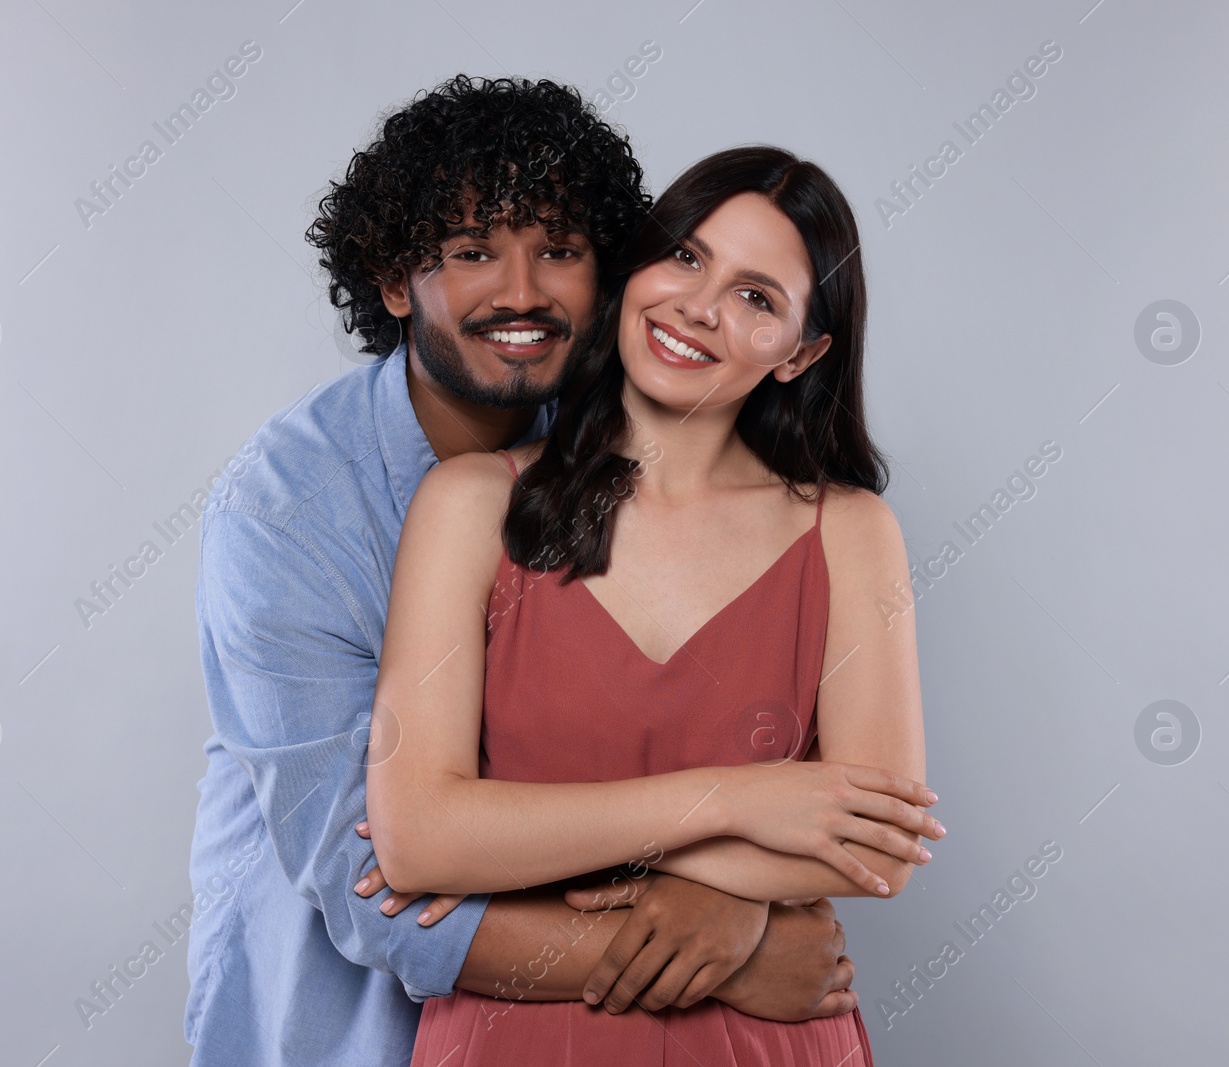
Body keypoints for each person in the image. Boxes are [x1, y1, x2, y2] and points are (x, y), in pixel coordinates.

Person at [185, 78, 874, 1067]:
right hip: (338, 1028)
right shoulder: (284, 510)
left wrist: (727, 891)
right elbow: (377, 884)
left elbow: (745, 728)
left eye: (559, 248)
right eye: (472, 252)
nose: (521, 291)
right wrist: (732, 954)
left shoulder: (626, 439)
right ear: (393, 281)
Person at [365, 145, 942, 1066]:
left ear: (803, 352)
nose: (699, 306)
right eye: (684, 256)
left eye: (757, 297)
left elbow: (879, 849)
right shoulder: (470, 504)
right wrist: (739, 804)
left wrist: (534, 844)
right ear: (635, 267)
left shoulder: (852, 532)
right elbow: (420, 838)